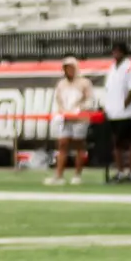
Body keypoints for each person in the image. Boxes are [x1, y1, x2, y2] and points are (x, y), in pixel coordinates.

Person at [48, 56, 95, 186]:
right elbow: (58, 100)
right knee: (62, 144)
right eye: (66, 68)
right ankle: (59, 175)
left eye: (71, 68)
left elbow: (90, 100)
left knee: (79, 145)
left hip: (80, 119)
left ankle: (77, 175)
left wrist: (79, 109)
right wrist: (62, 112)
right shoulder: (61, 84)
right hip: (65, 118)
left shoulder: (84, 83)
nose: (69, 70)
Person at [102, 42, 131, 183]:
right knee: (116, 143)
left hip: (127, 113)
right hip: (113, 113)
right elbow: (108, 89)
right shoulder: (112, 68)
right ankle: (119, 171)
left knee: (129, 143)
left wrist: (124, 104)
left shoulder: (130, 68)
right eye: (114, 51)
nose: (116, 54)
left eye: (118, 51)